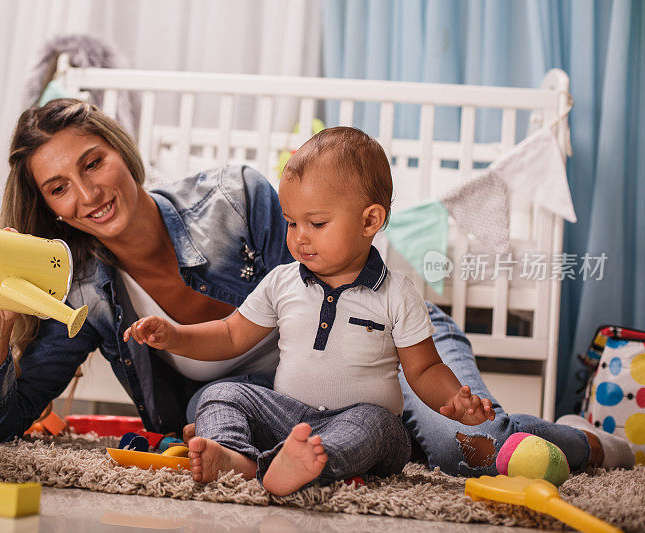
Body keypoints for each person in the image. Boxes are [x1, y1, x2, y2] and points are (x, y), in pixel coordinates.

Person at [0, 100, 633, 481]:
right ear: (49, 208)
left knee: (469, 449)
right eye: (59, 188)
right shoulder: (85, 287)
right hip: (296, 415)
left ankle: (597, 443)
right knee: (237, 415)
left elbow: (340, 284)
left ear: (120, 151)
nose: (87, 194)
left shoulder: (238, 198)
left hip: (393, 350)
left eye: (93, 162)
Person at [123, 126, 498, 494]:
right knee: (220, 395)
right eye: (291, 222)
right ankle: (239, 458)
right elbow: (230, 334)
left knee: (377, 424)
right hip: (288, 416)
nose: (299, 236)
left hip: (360, 422)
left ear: (370, 220)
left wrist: (452, 400)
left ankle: (303, 465)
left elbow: (425, 368)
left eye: (316, 223)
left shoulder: (397, 293)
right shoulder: (281, 282)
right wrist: (174, 335)